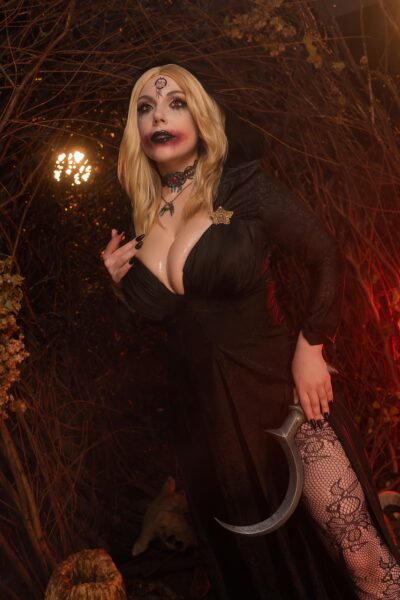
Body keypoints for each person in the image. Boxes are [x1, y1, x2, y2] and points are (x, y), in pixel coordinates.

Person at [101, 64, 400, 599]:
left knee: (360, 554)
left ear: (202, 116)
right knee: (265, 578)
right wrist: (117, 285)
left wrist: (311, 346)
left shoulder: (242, 188)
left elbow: (324, 255)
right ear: (135, 128)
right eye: (146, 108)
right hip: (210, 428)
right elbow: (150, 334)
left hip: (285, 399)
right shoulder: (140, 220)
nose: (159, 116)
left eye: (175, 103)